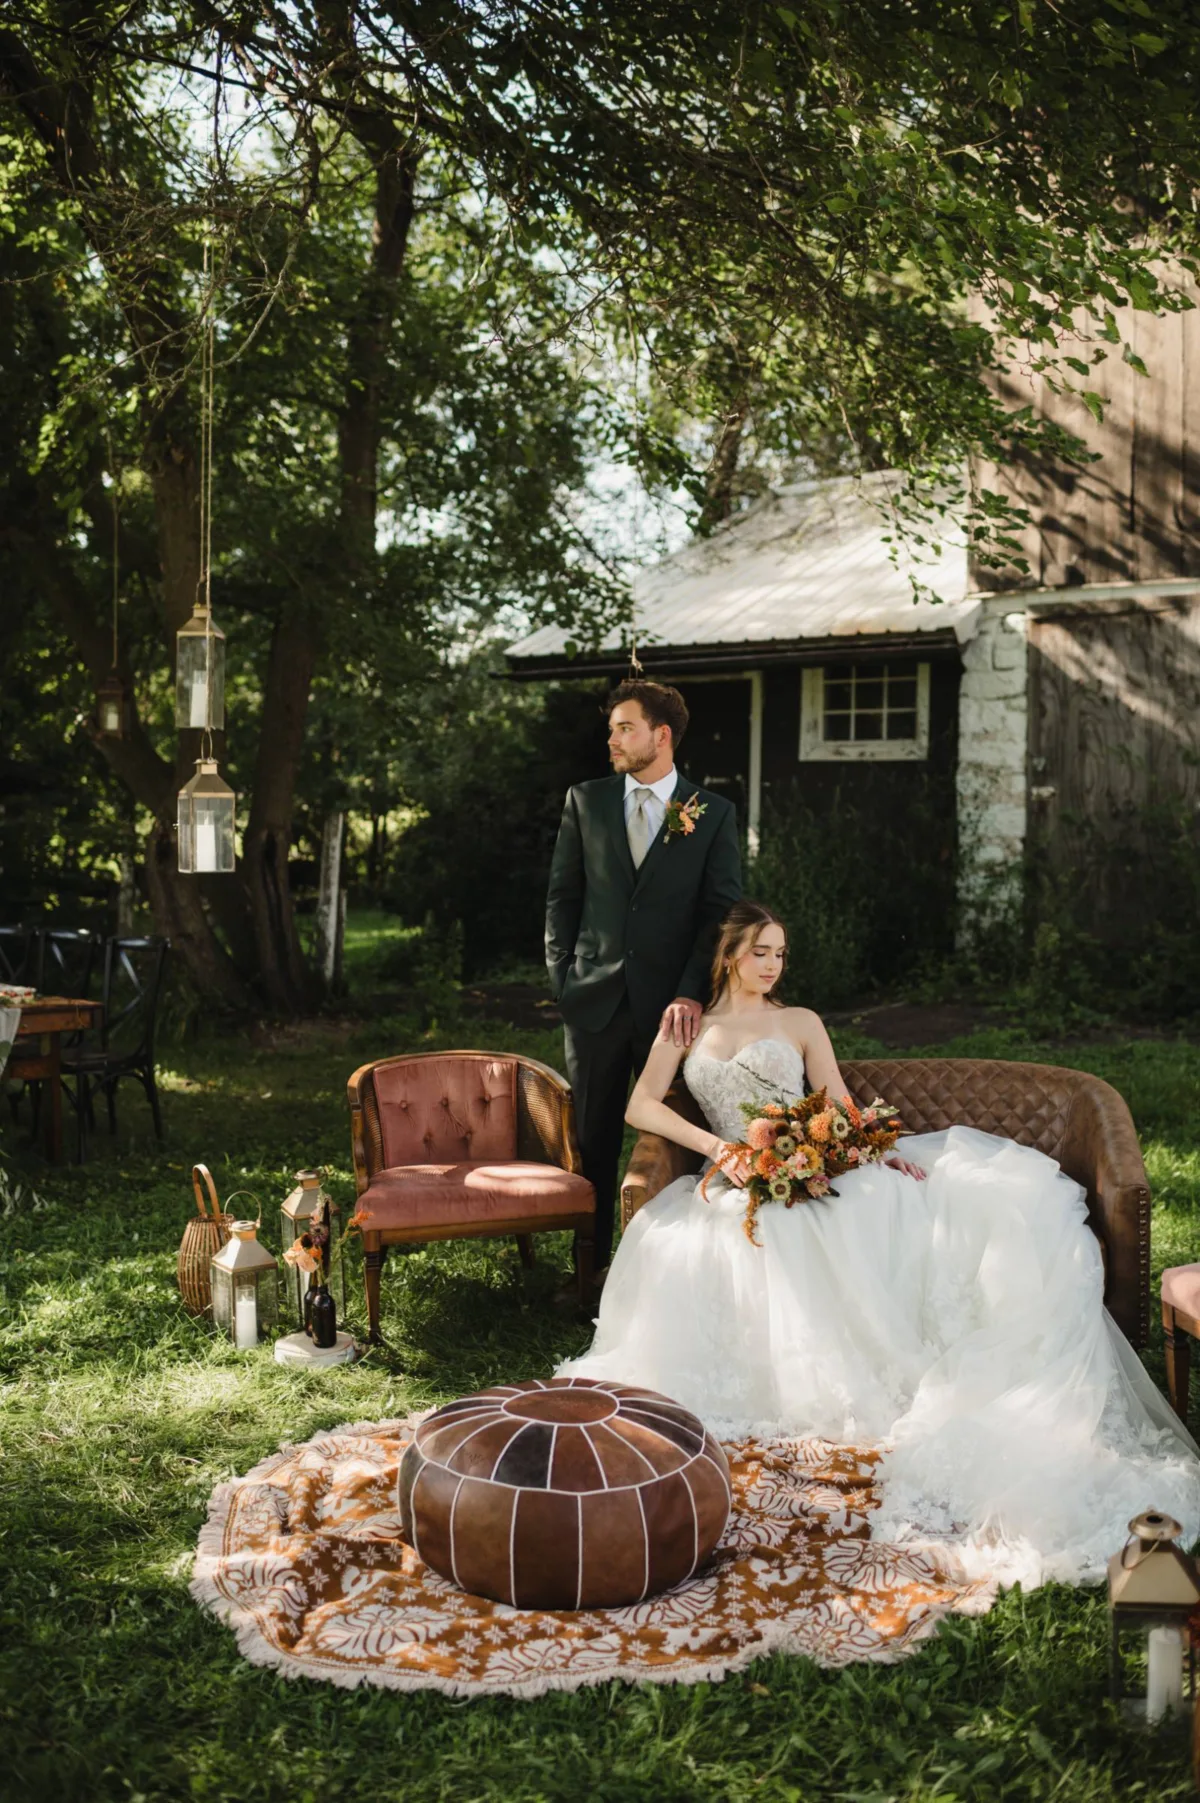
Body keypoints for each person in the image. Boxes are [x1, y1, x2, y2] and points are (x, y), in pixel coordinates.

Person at [558, 899, 1200, 1587]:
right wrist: (719, 1148)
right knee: (712, 1236)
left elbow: (835, 1098)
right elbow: (641, 1105)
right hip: (735, 1174)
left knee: (839, 1219)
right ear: (729, 955)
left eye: (780, 954)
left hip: (810, 1165)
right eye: (761, 952)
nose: (772, 965)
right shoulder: (687, 1025)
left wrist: (874, 1149)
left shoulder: (799, 1021)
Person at [545, 679, 742, 1275]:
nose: (612, 739)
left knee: (675, 1137)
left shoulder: (712, 813)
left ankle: (669, 1271)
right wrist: (564, 978)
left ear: (661, 736)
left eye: (624, 728)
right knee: (592, 1142)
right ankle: (590, 1273)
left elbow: (719, 914)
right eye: (611, 729)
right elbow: (563, 897)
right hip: (594, 1003)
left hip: (672, 1013)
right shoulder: (586, 801)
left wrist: (690, 993)